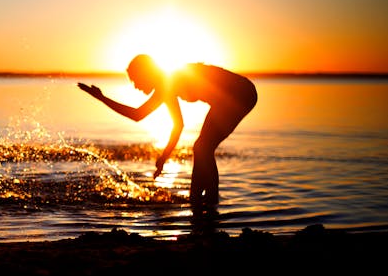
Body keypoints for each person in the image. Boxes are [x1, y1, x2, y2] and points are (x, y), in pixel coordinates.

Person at [78, 54, 257, 211]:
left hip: (241, 93)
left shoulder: (168, 82)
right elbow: (178, 124)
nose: (136, 87)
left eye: (135, 80)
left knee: (202, 147)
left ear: (146, 73)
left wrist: (101, 98)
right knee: (201, 147)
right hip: (234, 96)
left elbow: (137, 115)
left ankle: (208, 201)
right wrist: (164, 157)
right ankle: (199, 200)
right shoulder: (167, 84)